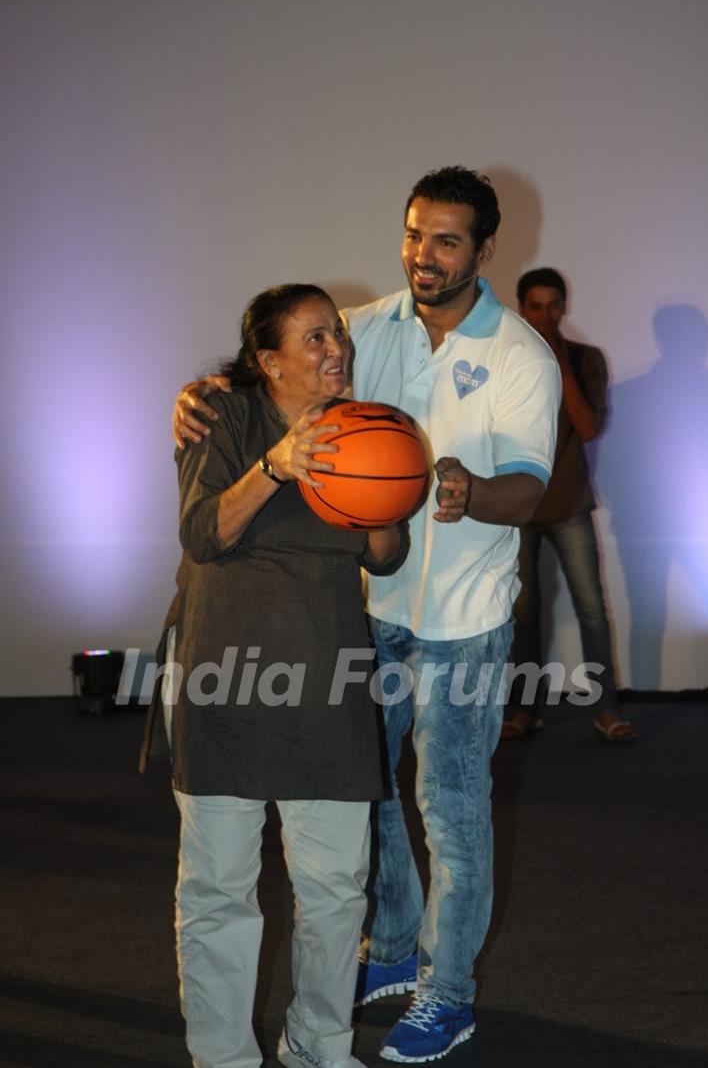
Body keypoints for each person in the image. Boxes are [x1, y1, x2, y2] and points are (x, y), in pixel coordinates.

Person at [172, 167, 561, 1063]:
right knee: (370, 800)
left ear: (485, 250)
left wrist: (468, 488)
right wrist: (195, 395)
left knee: (451, 810)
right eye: (415, 234)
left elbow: (533, 492)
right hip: (370, 612)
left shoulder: (520, 355)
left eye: (448, 240)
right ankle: (388, 952)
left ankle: (447, 992)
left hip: (462, 615)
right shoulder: (367, 329)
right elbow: (271, 376)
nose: (425, 256)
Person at [146, 283, 409, 1068]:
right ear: (269, 359)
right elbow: (202, 533)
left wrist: (384, 495)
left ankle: (319, 1046)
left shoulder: (364, 424)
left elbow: (387, 554)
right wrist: (278, 463)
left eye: (337, 334)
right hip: (225, 678)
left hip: (327, 678)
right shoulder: (219, 414)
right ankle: (223, 1057)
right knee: (220, 891)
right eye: (315, 338)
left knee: (335, 892)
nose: (336, 350)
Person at [502, 267, 638, 743]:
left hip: (570, 502)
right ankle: (524, 709)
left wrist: (558, 363)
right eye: (535, 306)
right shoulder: (505, 358)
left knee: (591, 610)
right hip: (517, 504)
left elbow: (589, 427)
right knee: (522, 613)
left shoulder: (584, 359)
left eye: (552, 305)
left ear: (564, 306)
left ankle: (606, 708)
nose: (545, 315)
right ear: (522, 308)